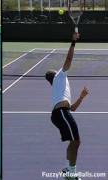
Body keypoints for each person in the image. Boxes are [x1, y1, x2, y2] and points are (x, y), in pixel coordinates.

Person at [45, 32, 89, 180]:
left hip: (61, 113)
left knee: (74, 142)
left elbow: (73, 109)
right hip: (61, 113)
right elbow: (69, 59)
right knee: (76, 141)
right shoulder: (60, 76)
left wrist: (81, 98)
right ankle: (71, 173)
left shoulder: (59, 90)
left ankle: (68, 170)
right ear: (54, 75)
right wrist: (73, 41)